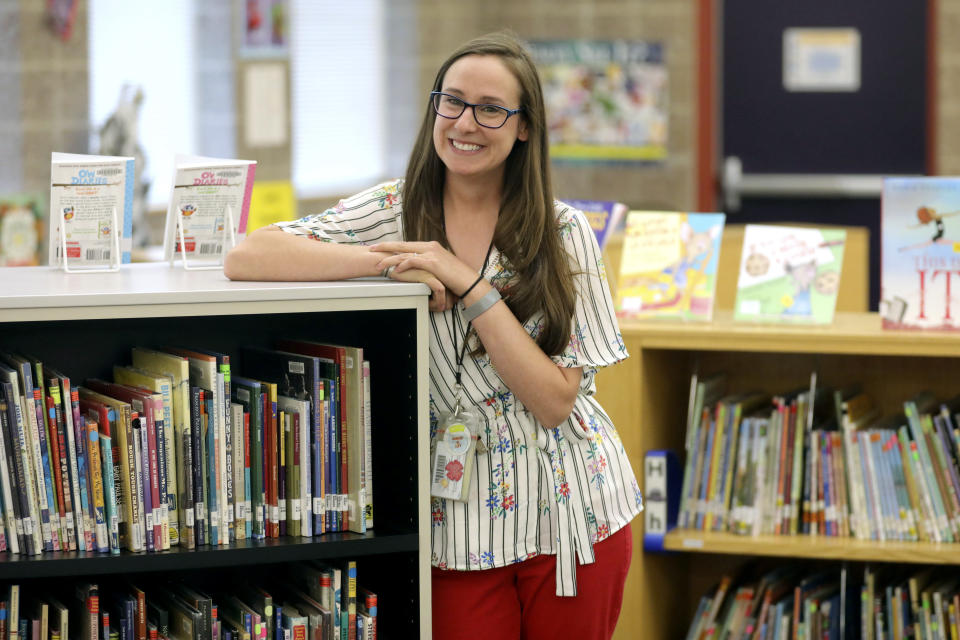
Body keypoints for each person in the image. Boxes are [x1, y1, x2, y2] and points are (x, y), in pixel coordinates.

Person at [225, 31, 642, 640]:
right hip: (457, 518)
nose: (465, 123)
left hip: (574, 510)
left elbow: (555, 402)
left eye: (491, 108)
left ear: (525, 127)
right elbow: (248, 255)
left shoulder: (564, 232)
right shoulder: (395, 209)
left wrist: (468, 286)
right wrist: (389, 260)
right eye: (452, 101)